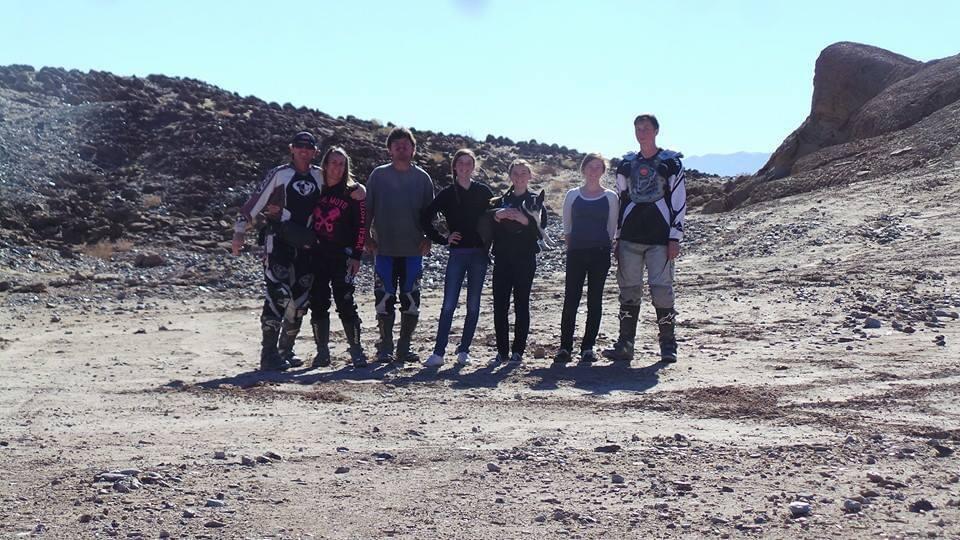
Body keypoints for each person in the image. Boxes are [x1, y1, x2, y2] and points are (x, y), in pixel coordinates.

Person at [232, 131, 323, 371]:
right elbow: (256, 201)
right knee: (278, 294)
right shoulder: (280, 174)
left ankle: (286, 349)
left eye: (309, 147)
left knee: (300, 299)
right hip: (279, 242)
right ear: (292, 149)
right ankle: (268, 353)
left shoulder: (320, 176)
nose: (304, 151)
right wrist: (240, 230)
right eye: (300, 146)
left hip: (307, 245)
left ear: (315, 151)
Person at [602, 114, 686, 364]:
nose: (641, 133)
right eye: (638, 129)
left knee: (662, 291)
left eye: (646, 128)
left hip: (660, 238)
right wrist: (617, 238)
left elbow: (679, 201)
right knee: (629, 290)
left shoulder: (671, 163)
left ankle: (668, 345)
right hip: (630, 238)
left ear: (656, 131)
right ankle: (625, 344)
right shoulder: (626, 164)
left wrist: (675, 237)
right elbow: (620, 200)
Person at [365, 127, 434, 364]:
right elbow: (368, 208)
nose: (402, 149)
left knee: (411, 299)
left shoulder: (423, 178)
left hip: (413, 251)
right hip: (383, 249)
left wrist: (429, 238)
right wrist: (365, 236)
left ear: (413, 149)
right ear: (390, 150)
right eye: (397, 146)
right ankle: (385, 346)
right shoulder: (378, 175)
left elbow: (431, 215)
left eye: (406, 145)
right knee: (384, 298)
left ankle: (404, 347)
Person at [421, 149, 494, 367]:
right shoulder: (447, 194)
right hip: (457, 254)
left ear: (473, 167)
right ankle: (438, 353)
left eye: (468, 163)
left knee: (473, 304)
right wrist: (443, 238)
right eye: (460, 163)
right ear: (454, 166)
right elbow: (425, 217)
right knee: (448, 304)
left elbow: (495, 217)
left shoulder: (483, 191)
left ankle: (464, 350)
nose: (464, 167)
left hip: (479, 255)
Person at [554, 153, 619, 365]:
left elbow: (612, 228)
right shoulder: (573, 195)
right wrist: (573, 247)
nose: (593, 171)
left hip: (600, 253)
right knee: (571, 299)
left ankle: (588, 347)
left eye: (598, 167)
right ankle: (565, 347)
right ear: (583, 169)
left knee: (595, 300)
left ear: (603, 171)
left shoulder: (610, 197)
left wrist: (604, 246)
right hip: (577, 253)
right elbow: (567, 226)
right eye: (590, 167)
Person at [309, 146, 368, 369]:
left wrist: (357, 256)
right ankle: (322, 352)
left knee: (345, 302)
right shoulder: (316, 188)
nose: (337, 167)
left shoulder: (353, 192)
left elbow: (362, 227)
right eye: (333, 162)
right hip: (316, 254)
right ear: (325, 164)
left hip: (342, 255)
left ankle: (356, 350)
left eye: (342, 163)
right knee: (318, 302)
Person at [489, 159, 549, 364]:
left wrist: (525, 221)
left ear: (530, 176)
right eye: (516, 173)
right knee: (500, 305)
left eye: (524, 173)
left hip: (525, 259)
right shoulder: (500, 200)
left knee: (521, 304)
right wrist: (497, 217)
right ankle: (502, 351)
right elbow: (488, 226)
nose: (520, 177)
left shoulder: (536, 200)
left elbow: (541, 233)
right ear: (510, 176)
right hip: (503, 259)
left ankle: (518, 352)